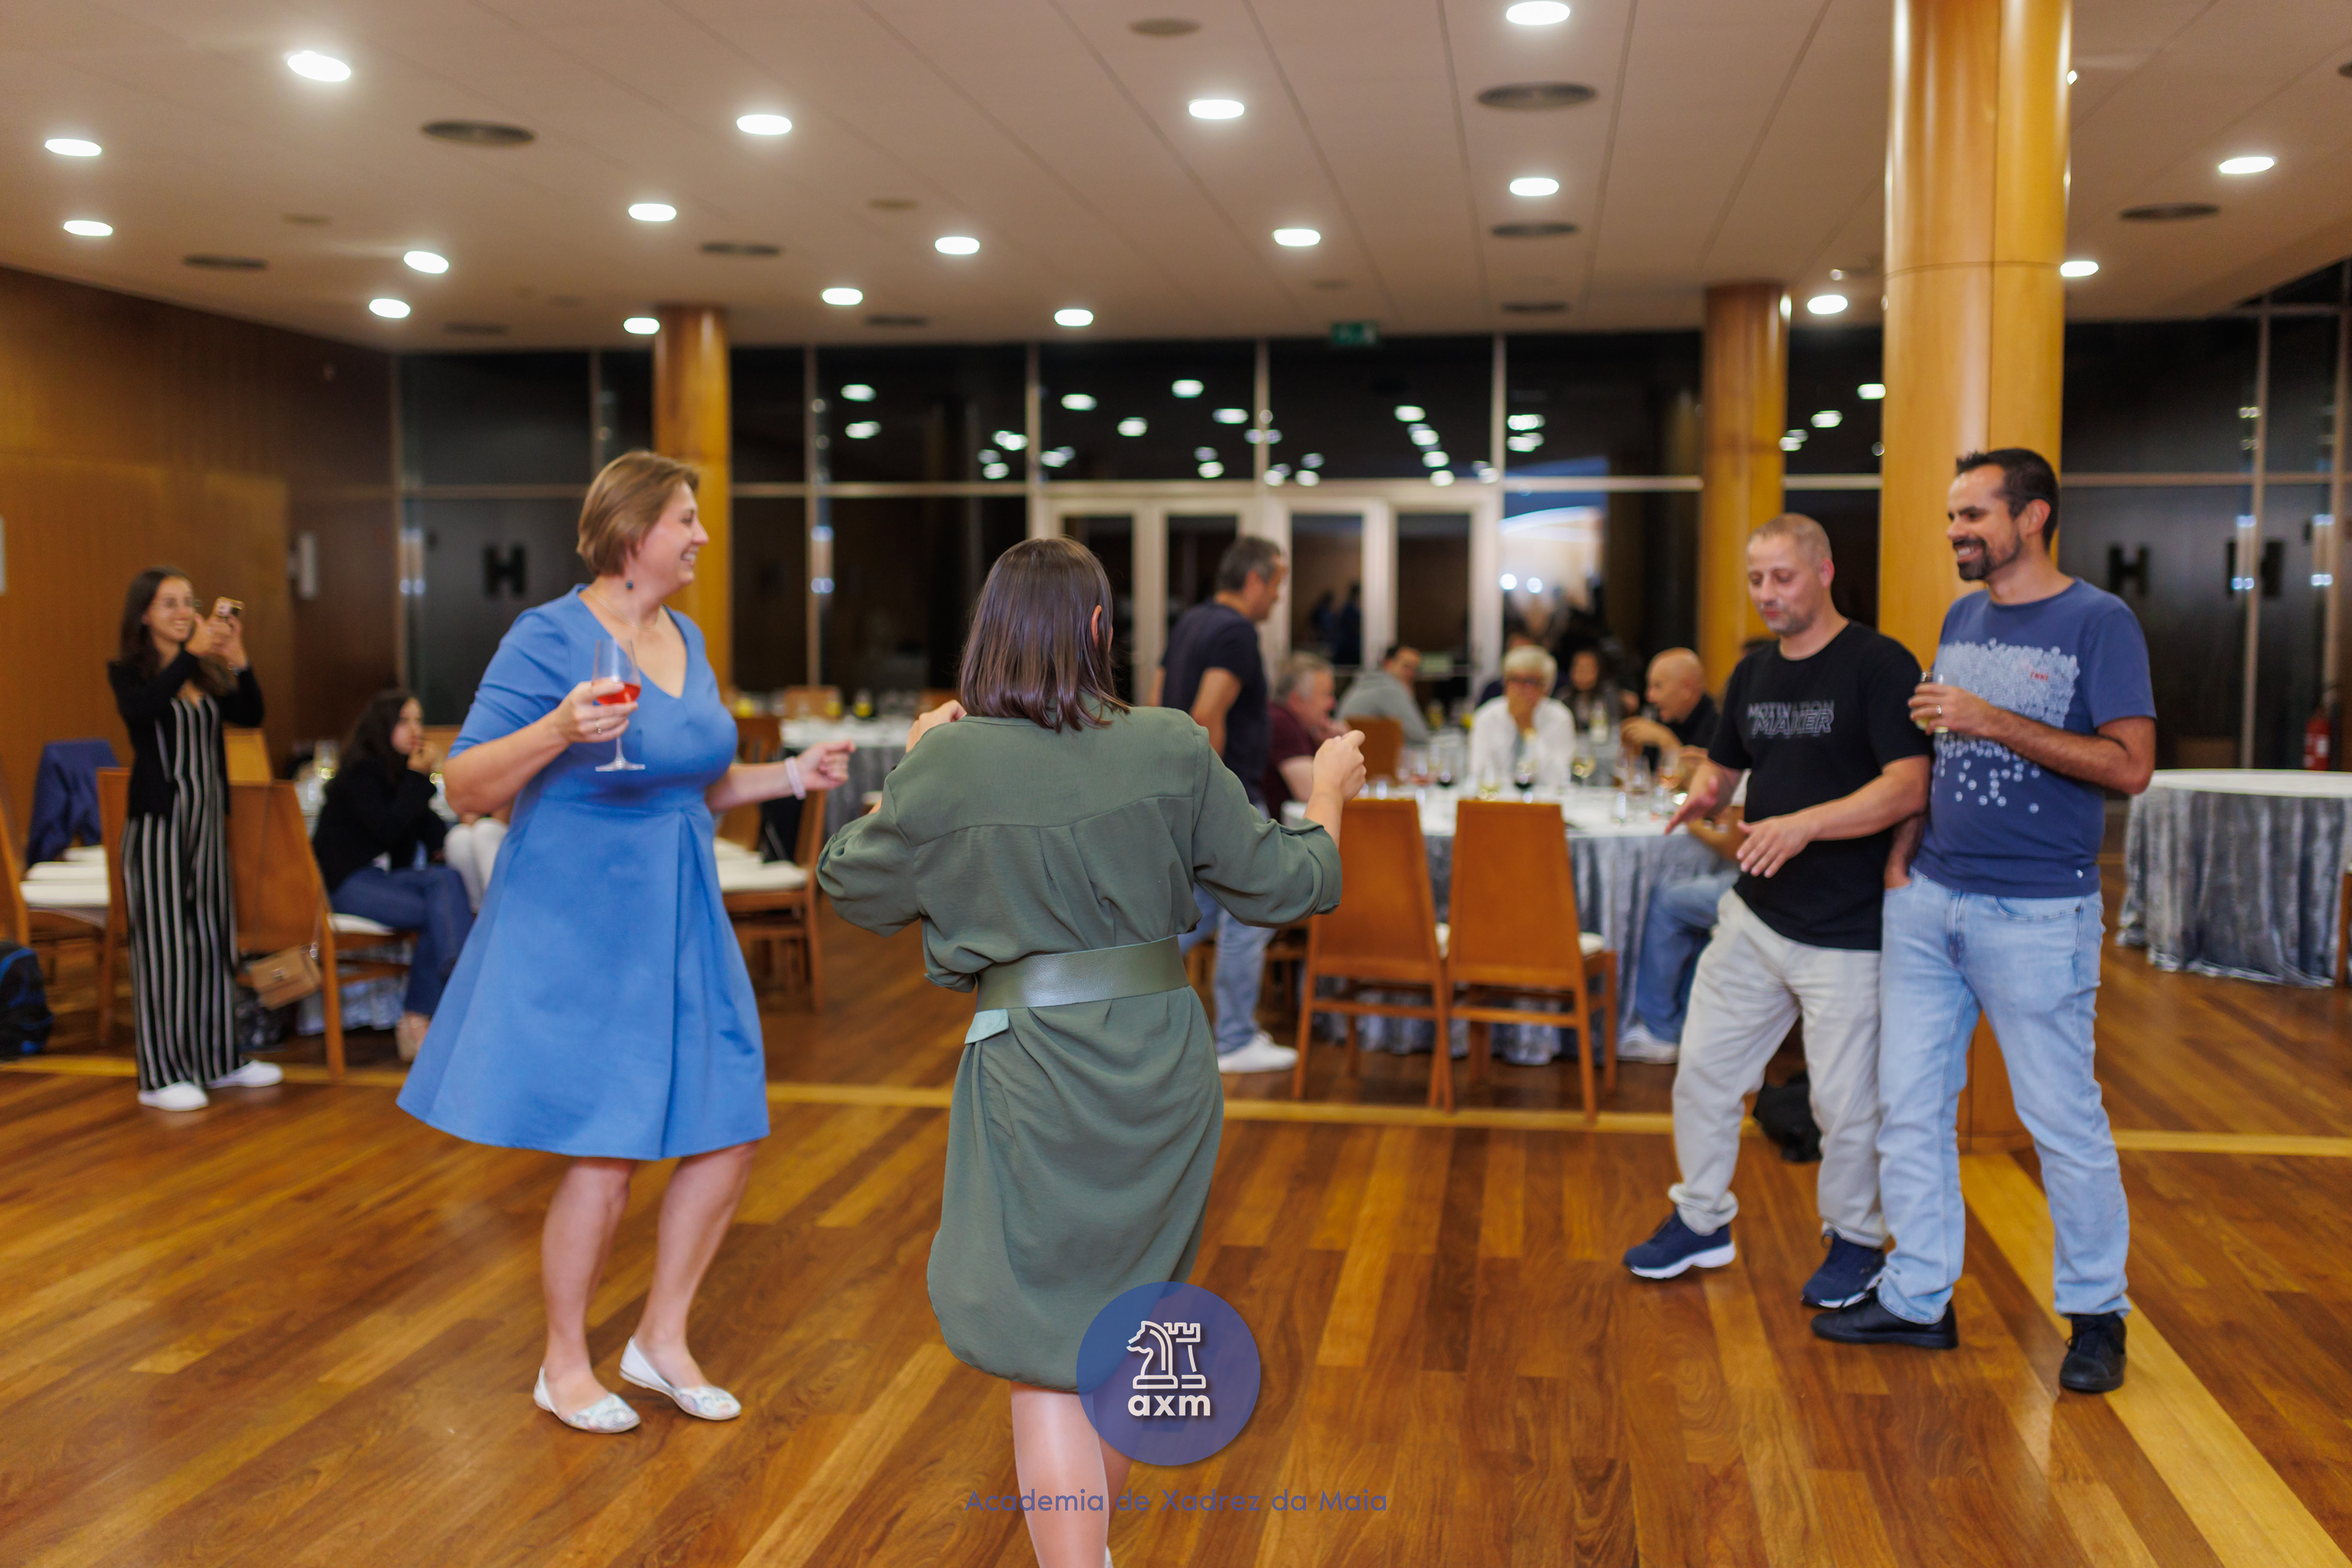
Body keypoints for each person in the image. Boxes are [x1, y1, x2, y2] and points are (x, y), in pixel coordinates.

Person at [818, 537, 1361, 1568]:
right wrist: (1330, 791)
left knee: (1045, 1348)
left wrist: (917, 759)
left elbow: (852, 883)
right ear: (1100, 631)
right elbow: (1292, 883)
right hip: (1164, 1066)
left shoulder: (953, 763)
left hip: (1033, 1069)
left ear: (990, 636)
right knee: (1121, 1322)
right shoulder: (1168, 745)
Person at [396, 451, 853, 1435]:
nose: (700, 537)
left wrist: (792, 776)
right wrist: (559, 728)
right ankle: (562, 1364)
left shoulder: (686, 636)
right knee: (607, 1150)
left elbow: (694, 781)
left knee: (728, 1128)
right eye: (686, 520)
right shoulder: (547, 637)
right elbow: (465, 786)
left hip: (681, 905)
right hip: (581, 915)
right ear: (634, 529)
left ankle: (661, 1340)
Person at [1814, 449, 2154, 1395]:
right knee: (1909, 1108)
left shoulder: (2099, 621)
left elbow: (2130, 767)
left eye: (1974, 515)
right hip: (1930, 900)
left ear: (2032, 517)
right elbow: (1939, 748)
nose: (1956, 531)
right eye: (1953, 516)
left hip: (2037, 911)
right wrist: (1903, 854)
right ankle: (1919, 1297)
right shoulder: (1962, 616)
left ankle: (2098, 1314)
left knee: (2061, 1120)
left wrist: (1994, 717)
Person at [1621, 514, 1931, 1311]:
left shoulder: (1877, 664)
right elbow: (1728, 766)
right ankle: (1702, 1219)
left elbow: (1908, 784)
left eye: (1782, 577)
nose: (1767, 593)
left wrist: (1805, 825)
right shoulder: (1755, 673)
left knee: (1843, 1106)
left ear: (1823, 572)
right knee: (1704, 1072)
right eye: (1756, 579)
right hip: (1757, 917)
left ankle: (1856, 1242)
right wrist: (1706, 793)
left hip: (1849, 930)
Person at [108, 567, 282, 1111]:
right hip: (158, 826)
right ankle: (160, 1074)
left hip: (207, 824)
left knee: (213, 939)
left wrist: (238, 656)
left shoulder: (203, 673)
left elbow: (251, 714)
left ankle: (219, 1059)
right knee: (164, 946)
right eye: (171, 604)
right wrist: (190, 655)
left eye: (190, 602)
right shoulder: (128, 673)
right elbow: (144, 709)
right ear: (144, 615)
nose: (185, 612)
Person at [1149, 534, 1297, 1075]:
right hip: (1224, 794)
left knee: (1199, 915)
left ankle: (1122, 1016)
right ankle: (1233, 1040)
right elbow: (1206, 715)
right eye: (1277, 584)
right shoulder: (1236, 632)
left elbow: (1157, 704)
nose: (1278, 597)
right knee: (1251, 915)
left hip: (1182, 792)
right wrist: (1217, 803)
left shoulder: (1190, 623)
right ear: (1255, 580)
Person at [310, 689, 473, 1063]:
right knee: (438, 910)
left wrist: (447, 803)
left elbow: (432, 833)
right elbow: (386, 827)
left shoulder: (402, 778)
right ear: (383, 727)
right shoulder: (361, 772)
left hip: (382, 881)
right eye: (404, 721)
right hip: (347, 883)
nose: (416, 730)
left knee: (446, 881)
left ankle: (429, 1009)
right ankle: (444, 1001)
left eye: (419, 721)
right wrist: (417, 779)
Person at [1617, 778, 1744, 1065]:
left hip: (1762, 889)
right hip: (1800, 886)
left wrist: (1692, 825)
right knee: (1690, 904)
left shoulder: (1753, 772)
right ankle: (1687, 1023)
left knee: (1669, 903)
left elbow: (1734, 847)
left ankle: (1660, 1030)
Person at [1467, 643, 1577, 789]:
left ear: (1546, 687)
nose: (1519, 689)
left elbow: (1559, 777)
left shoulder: (1559, 717)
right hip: (1498, 797)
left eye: (1530, 682)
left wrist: (1528, 729)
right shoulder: (1487, 716)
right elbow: (1478, 772)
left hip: (1545, 798)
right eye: (1514, 679)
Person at [1621, 647, 1720, 775]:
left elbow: (1710, 781)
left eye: (1658, 686)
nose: (1649, 696)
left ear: (1686, 689)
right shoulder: (1664, 717)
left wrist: (1667, 742)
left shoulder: (1720, 724)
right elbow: (1647, 775)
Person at [1265, 650, 1338, 809]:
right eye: (1326, 695)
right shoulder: (1282, 724)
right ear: (1297, 700)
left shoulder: (1295, 724)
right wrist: (1339, 747)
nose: (1332, 704)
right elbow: (1314, 793)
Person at [1336, 643, 1430, 744]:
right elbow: (1420, 736)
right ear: (1388, 664)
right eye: (1406, 667)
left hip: (1349, 749)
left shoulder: (1366, 684)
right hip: (1365, 752)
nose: (1411, 674)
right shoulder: (1389, 689)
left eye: (1415, 669)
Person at [1560, 647, 1618, 729]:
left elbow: (1615, 724)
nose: (1583, 675)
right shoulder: (1564, 698)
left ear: (1598, 671)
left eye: (1588, 669)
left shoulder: (1608, 694)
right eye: (1579, 669)